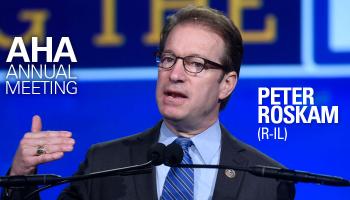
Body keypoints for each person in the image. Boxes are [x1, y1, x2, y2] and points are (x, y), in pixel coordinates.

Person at [2, 5, 295, 200]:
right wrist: (19, 175)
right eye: (168, 59)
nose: (175, 74)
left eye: (195, 63)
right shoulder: (104, 164)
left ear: (226, 84)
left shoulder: (266, 180)